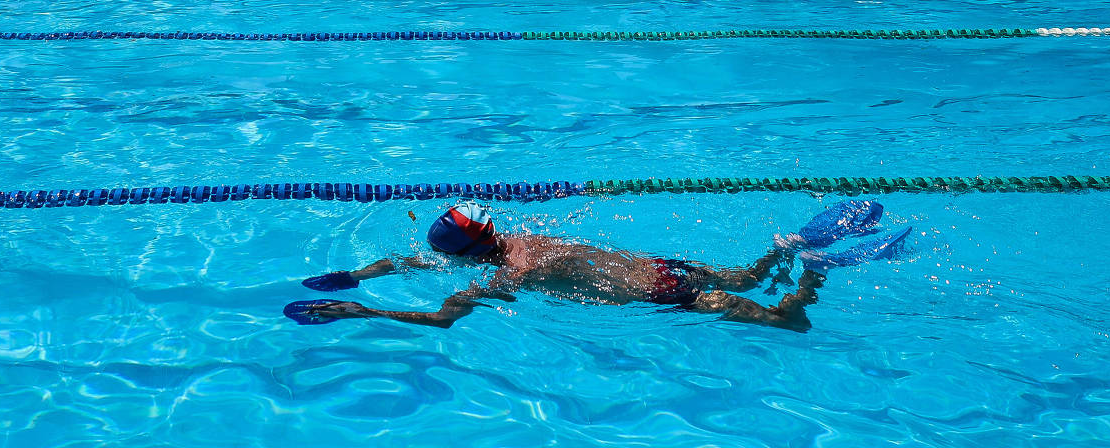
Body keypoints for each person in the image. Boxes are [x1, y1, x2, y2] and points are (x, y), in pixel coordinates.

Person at [285, 200, 910, 333]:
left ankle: (816, 268)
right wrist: (365, 273)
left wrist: (365, 308)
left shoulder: (508, 279)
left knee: (786, 321)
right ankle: (787, 245)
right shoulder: (525, 241)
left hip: (666, 293)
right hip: (661, 264)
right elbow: (418, 258)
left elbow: (442, 318)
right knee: (747, 276)